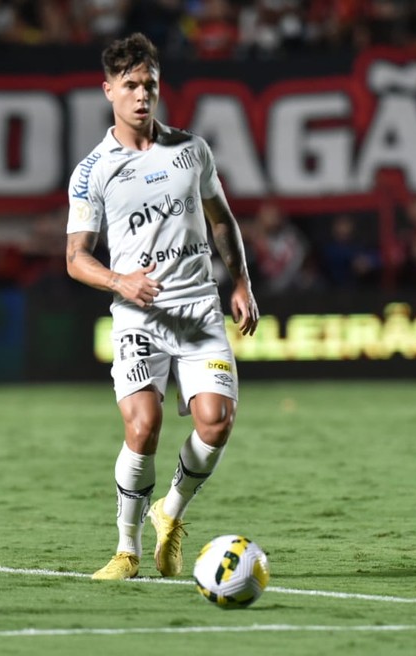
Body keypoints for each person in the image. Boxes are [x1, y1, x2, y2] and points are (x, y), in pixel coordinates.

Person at [65, 32, 259, 581]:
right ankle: (126, 550)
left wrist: (241, 282)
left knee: (216, 422)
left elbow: (221, 219)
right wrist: (118, 281)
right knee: (144, 426)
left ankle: (169, 513)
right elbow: (75, 258)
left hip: (197, 307)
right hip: (139, 316)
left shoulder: (191, 150)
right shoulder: (93, 170)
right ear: (109, 90)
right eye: (129, 85)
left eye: (149, 84)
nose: (141, 94)